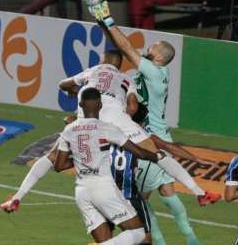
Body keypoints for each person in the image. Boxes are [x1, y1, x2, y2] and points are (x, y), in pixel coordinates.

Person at [1, 50, 218, 243]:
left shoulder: (91, 72)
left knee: (50, 158)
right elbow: (133, 107)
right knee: (158, 154)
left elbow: (63, 84)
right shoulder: (125, 79)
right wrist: (126, 121)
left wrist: (75, 94)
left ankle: (17, 197)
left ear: (103, 60)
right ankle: (199, 192)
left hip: (84, 159)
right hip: (113, 121)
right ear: (119, 64)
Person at [90, 1, 219, 245]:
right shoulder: (153, 73)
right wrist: (102, 23)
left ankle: (174, 230)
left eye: (154, 46)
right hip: (148, 134)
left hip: (149, 136)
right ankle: (195, 215)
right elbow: (120, 48)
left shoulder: (155, 73)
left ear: (159, 56)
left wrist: (108, 19)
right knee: (164, 193)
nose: (149, 46)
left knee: (141, 196)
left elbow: (127, 49)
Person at [54, 87, 168, 245]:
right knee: (140, 235)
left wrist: (80, 159)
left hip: (81, 193)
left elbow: (58, 166)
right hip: (103, 188)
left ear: (80, 104)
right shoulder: (107, 128)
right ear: (100, 106)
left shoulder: (69, 130)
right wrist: (156, 156)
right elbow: (139, 152)